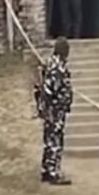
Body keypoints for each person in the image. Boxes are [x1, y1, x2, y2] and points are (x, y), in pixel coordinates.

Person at [39, 37, 73, 185]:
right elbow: (51, 90)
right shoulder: (57, 68)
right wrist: (54, 106)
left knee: (49, 139)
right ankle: (53, 172)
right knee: (55, 140)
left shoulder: (50, 63)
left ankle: (46, 169)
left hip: (51, 109)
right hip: (55, 110)